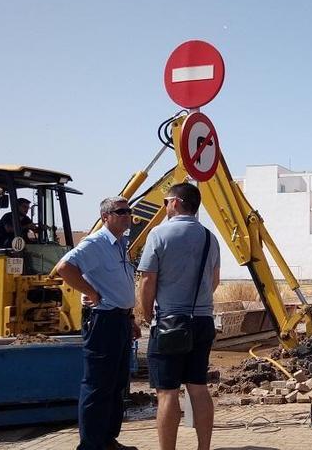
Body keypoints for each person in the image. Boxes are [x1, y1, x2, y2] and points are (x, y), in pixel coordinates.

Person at [137, 182, 220, 450]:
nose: (164, 207)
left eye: (164, 202)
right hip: (203, 320)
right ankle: (203, 448)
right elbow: (214, 280)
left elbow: (147, 280)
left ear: (176, 202)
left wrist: (146, 314)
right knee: (198, 387)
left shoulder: (158, 235)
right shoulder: (210, 237)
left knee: (167, 392)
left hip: (170, 322)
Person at [54, 197, 140, 450]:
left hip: (120, 319)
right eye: (121, 211)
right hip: (103, 319)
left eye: (128, 210)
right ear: (105, 217)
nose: (127, 215)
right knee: (98, 383)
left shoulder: (121, 244)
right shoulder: (96, 243)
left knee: (117, 383)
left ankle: (108, 439)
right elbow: (64, 268)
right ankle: (91, 445)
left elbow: (119, 285)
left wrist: (131, 317)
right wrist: (91, 293)